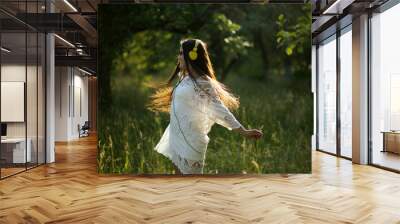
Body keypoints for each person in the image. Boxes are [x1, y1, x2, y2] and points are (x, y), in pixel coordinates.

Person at [148, 38, 263, 174]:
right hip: (177, 138)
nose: (178, 57)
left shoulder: (203, 83)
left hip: (192, 141)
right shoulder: (184, 78)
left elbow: (220, 109)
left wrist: (244, 131)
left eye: (181, 53)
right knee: (179, 186)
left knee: (192, 187)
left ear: (192, 55)